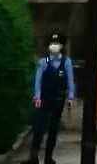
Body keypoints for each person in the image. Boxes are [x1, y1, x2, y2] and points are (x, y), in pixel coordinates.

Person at [30, 32, 76, 164]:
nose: (54, 46)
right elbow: (38, 81)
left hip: (58, 99)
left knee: (53, 129)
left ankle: (48, 158)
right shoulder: (43, 62)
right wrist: (37, 96)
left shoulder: (66, 62)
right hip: (43, 99)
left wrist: (71, 97)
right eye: (52, 44)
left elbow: (70, 81)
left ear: (61, 46)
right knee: (38, 127)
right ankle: (33, 157)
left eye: (57, 44)